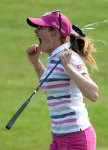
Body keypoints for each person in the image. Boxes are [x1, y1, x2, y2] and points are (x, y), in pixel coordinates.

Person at [26, 10, 99, 150]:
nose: (36, 32)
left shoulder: (69, 58)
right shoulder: (54, 58)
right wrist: (36, 63)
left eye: (41, 28)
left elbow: (93, 94)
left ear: (54, 32)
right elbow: (50, 88)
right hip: (58, 138)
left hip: (78, 139)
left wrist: (69, 67)